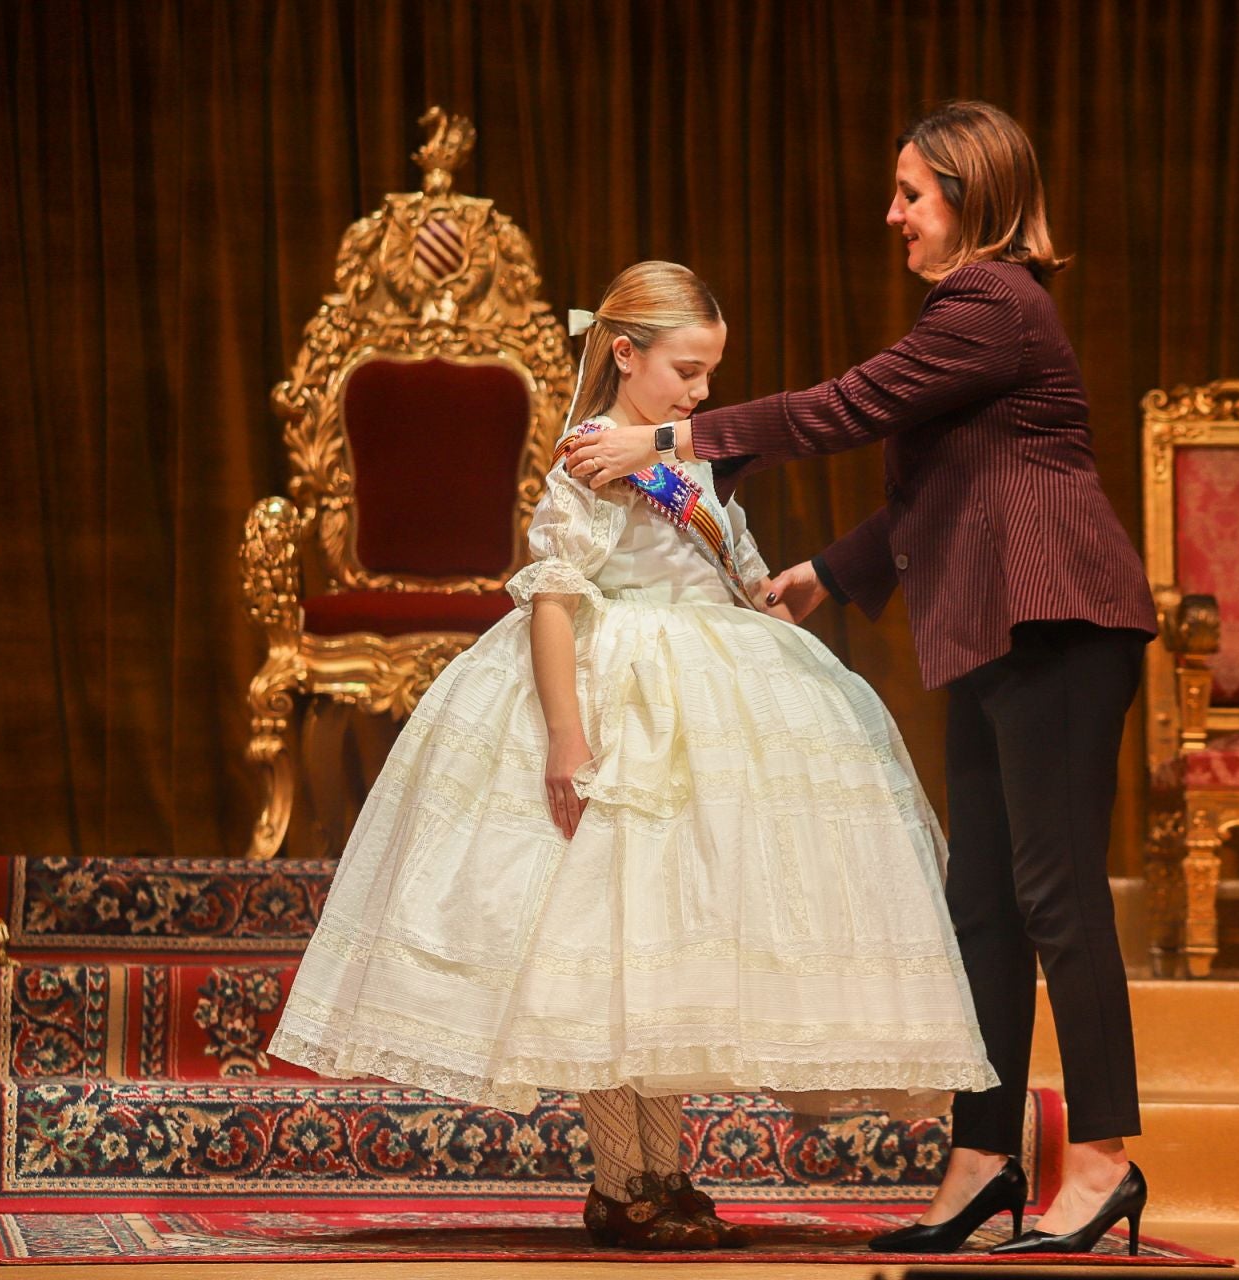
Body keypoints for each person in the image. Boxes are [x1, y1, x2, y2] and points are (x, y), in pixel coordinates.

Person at [269, 260, 996, 1252]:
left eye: (710, 373)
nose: (702, 393)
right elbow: (556, 596)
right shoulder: (592, 455)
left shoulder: (684, 453)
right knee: (600, 940)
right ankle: (623, 1173)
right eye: (687, 370)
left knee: (670, 933)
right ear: (626, 353)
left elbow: (725, 555)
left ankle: (665, 1168)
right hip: (620, 696)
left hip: (707, 689)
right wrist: (568, 735)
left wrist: (772, 590)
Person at [566, 103, 1159, 1257]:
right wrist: (825, 577)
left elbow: (843, 407)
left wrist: (671, 442)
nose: (893, 213)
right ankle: (984, 1160)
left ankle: (1101, 1160)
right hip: (994, 627)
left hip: (1059, 625)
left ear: (970, 196)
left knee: (1057, 898)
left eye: (911, 192)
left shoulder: (993, 301)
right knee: (981, 906)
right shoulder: (976, 315)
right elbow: (934, 491)